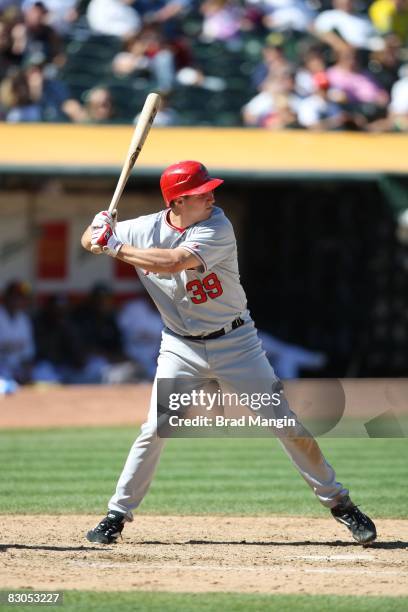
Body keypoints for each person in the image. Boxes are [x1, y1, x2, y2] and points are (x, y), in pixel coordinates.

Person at [81, 160, 377, 546]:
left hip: (237, 344)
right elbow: (90, 242)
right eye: (202, 193)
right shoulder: (144, 228)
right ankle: (116, 514)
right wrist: (97, 228)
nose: (212, 196)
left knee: (285, 425)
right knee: (155, 428)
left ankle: (341, 504)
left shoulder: (216, 225)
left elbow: (174, 263)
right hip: (180, 347)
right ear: (178, 200)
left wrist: (115, 245)